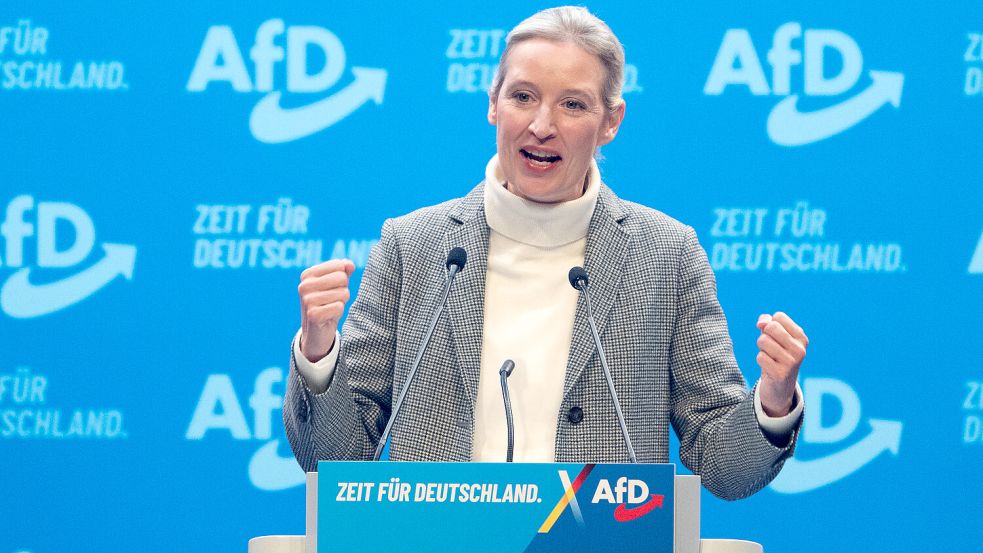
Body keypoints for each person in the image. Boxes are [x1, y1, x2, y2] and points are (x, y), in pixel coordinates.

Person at [284, 6, 807, 500]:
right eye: (523, 97)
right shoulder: (413, 246)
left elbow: (723, 466)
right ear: (493, 104)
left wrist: (774, 401)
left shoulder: (666, 254)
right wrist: (317, 354)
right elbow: (336, 460)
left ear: (611, 121)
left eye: (572, 104)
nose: (541, 125)